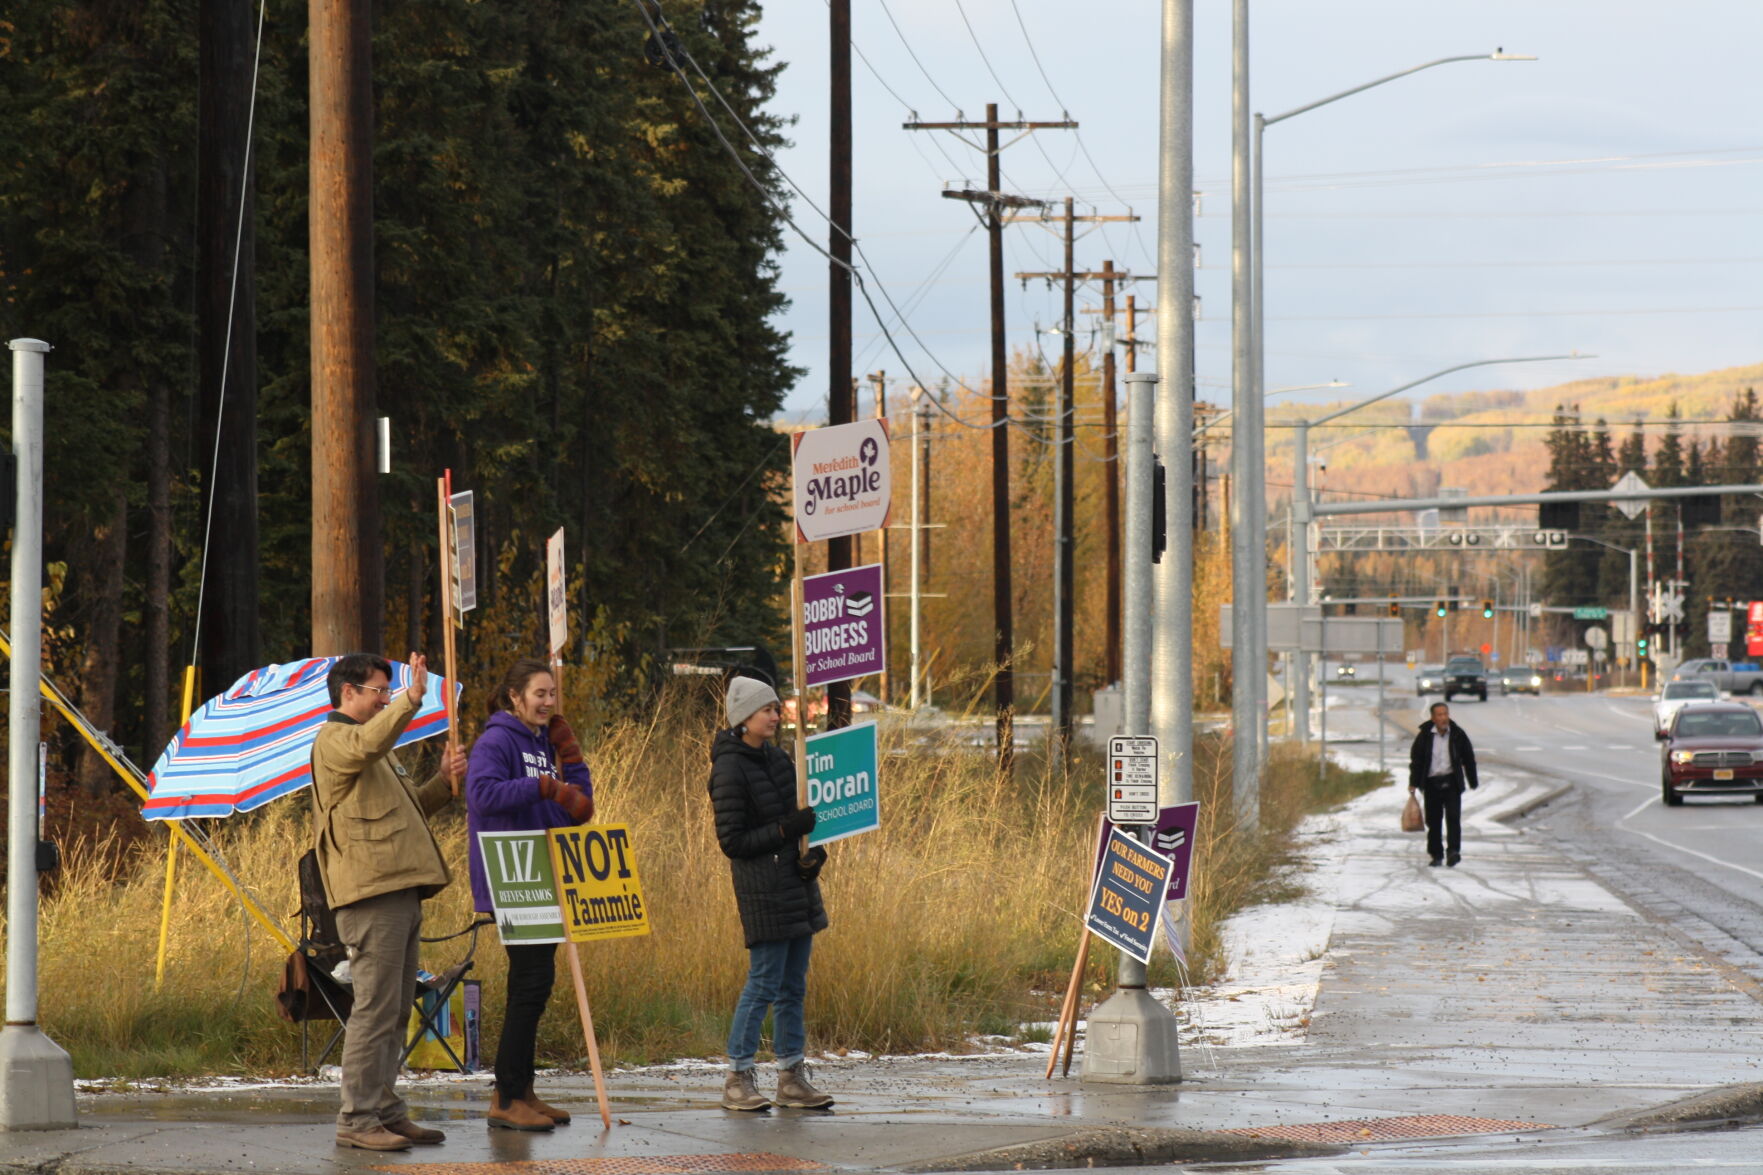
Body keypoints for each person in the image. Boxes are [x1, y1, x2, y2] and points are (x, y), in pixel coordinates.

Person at [312, 652, 467, 1152]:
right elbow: (364, 744)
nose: (384, 698)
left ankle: (384, 1108)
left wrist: (444, 781)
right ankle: (356, 1120)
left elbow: (410, 810)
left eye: (388, 691)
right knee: (375, 1010)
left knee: (397, 1007)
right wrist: (411, 700)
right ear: (348, 693)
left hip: (398, 887)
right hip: (370, 894)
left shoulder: (378, 750)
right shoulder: (336, 741)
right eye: (378, 690)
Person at [464, 658, 595, 1132]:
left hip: (545, 875)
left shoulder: (545, 745)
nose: (548, 702)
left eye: (552, 693)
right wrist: (542, 784)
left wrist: (572, 761)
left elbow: (577, 809)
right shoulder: (496, 741)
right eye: (539, 693)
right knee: (530, 983)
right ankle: (505, 1094)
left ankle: (521, 1088)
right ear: (515, 696)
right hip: (512, 876)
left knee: (537, 984)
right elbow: (481, 795)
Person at [708, 676, 832, 1112]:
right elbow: (733, 842)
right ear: (744, 717)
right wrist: (785, 831)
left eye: (778, 709)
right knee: (763, 982)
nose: (777, 717)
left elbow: (803, 818)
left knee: (793, 986)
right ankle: (737, 1076)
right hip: (762, 891)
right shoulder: (728, 767)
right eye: (769, 710)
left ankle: (791, 1076)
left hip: (796, 886)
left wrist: (813, 852)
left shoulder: (780, 760)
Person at [1407, 701, 1479, 868]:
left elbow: (1468, 758)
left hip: (1452, 782)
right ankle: (1436, 854)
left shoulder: (1457, 734)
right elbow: (1417, 760)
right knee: (1433, 821)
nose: (1443, 718)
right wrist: (1413, 782)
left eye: (1445, 714)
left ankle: (1453, 851)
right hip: (1431, 783)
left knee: (1453, 818)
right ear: (1433, 718)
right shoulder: (1425, 735)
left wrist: (1472, 780)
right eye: (1439, 715)